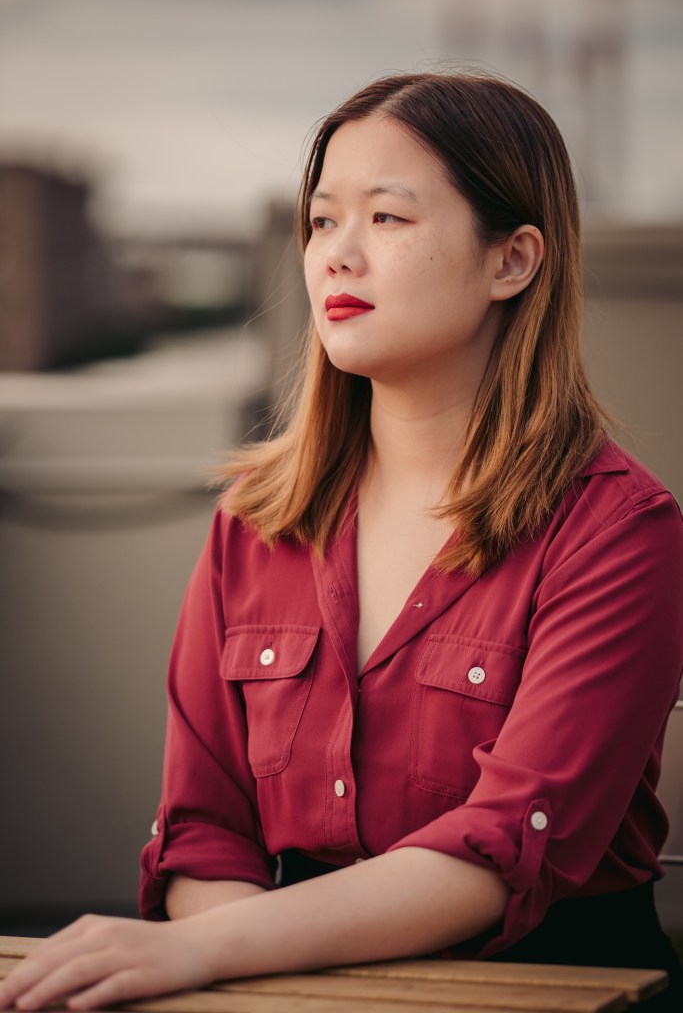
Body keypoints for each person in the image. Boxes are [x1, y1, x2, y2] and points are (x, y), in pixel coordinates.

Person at [1, 71, 681, 1012]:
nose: (335, 257)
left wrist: (205, 955)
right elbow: (205, 833)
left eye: (388, 219)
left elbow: (495, 852)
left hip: (551, 986)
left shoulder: (616, 534)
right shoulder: (255, 520)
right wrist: (241, 970)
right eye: (321, 222)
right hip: (281, 984)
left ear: (512, 261)